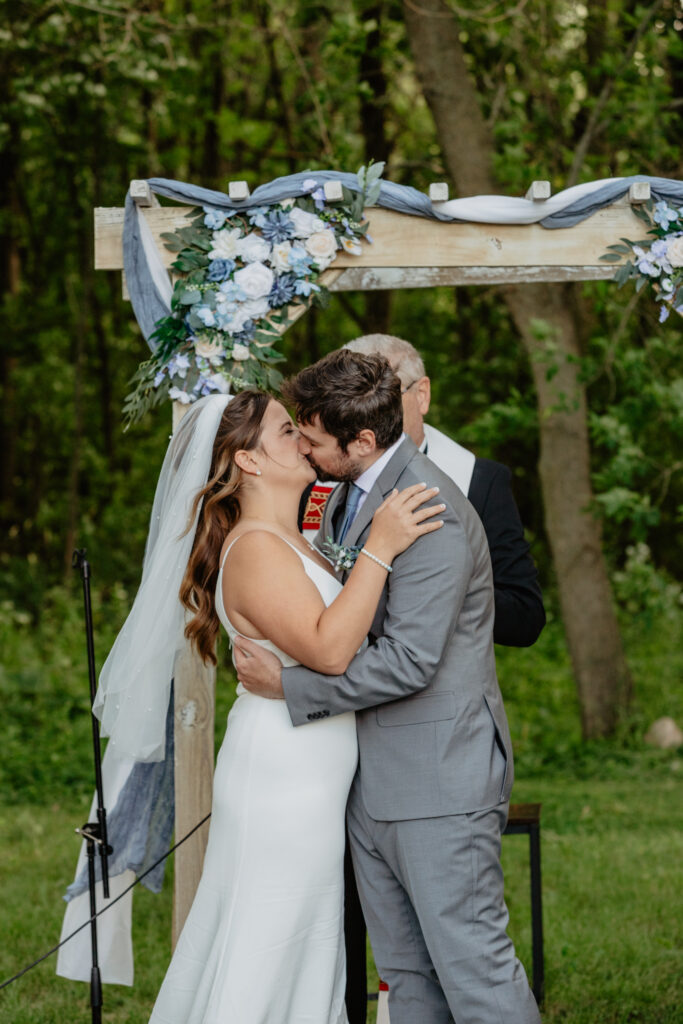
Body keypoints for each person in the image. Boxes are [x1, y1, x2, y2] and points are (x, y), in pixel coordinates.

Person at [100, 389, 441, 1024]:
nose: (305, 438)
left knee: (302, 948)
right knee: (269, 945)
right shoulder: (255, 546)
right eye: (288, 431)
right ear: (249, 462)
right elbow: (330, 649)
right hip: (279, 781)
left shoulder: (298, 537)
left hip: (310, 776)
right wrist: (382, 546)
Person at [235, 349, 542, 1024]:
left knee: (474, 970)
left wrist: (288, 689)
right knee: (403, 978)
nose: (306, 453)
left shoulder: (426, 510)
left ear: (363, 440)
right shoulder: (348, 495)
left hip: (438, 779)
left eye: (312, 440)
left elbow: (409, 662)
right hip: (369, 781)